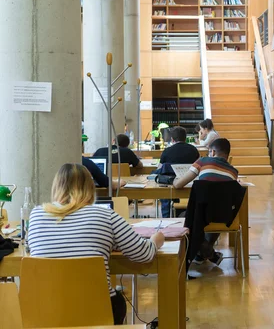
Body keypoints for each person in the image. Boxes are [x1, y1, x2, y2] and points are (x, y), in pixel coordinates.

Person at [28, 163, 165, 325]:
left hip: (46, 309)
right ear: (90, 186)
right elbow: (144, 254)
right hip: (98, 307)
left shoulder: (36, 214)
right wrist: (156, 240)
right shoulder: (105, 215)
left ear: (56, 186)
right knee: (118, 300)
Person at [174, 138, 238, 266]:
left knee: (182, 217)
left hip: (200, 216)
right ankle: (207, 253)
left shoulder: (202, 161)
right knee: (214, 212)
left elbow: (178, 185)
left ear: (212, 152)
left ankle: (205, 252)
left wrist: (175, 180)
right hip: (223, 216)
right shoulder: (233, 172)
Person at [158, 126, 199, 217]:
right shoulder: (193, 149)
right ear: (185, 138)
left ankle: (166, 217)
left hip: (171, 184)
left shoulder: (167, 151)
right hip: (190, 182)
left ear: (172, 139)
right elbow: (198, 166)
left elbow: (159, 168)